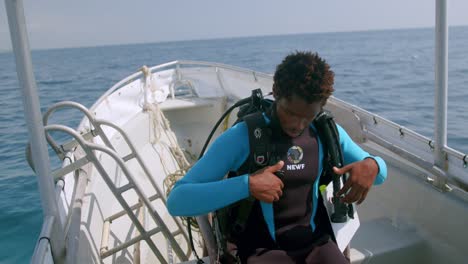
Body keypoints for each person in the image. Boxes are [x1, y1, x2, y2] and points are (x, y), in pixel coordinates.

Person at [167, 51, 387, 263]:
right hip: (258, 251)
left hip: (315, 245)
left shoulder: (326, 132)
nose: (297, 125)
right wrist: (248, 185)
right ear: (276, 92)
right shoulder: (243, 137)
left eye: (307, 117)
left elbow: (380, 173)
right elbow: (178, 201)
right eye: (290, 112)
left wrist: (372, 165)